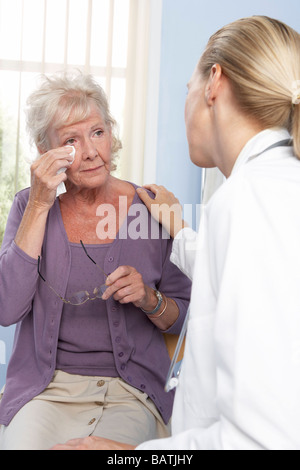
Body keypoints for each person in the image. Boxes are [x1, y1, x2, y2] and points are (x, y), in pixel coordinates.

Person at [52, 15, 300, 450]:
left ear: (214, 82)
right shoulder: (270, 190)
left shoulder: (249, 200)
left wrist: (135, 457)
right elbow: (247, 282)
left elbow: (267, 440)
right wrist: (181, 229)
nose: (89, 151)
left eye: (187, 86)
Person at [0, 72, 191, 450]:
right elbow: (7, 308)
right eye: (71, 140)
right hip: (46, 392)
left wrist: (148, 299)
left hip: (131, 393)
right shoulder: (30, 205)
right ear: (45, 151)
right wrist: (40, 203)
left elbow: (184, 317)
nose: (90, 151)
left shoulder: (151, 209)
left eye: (98, 132)